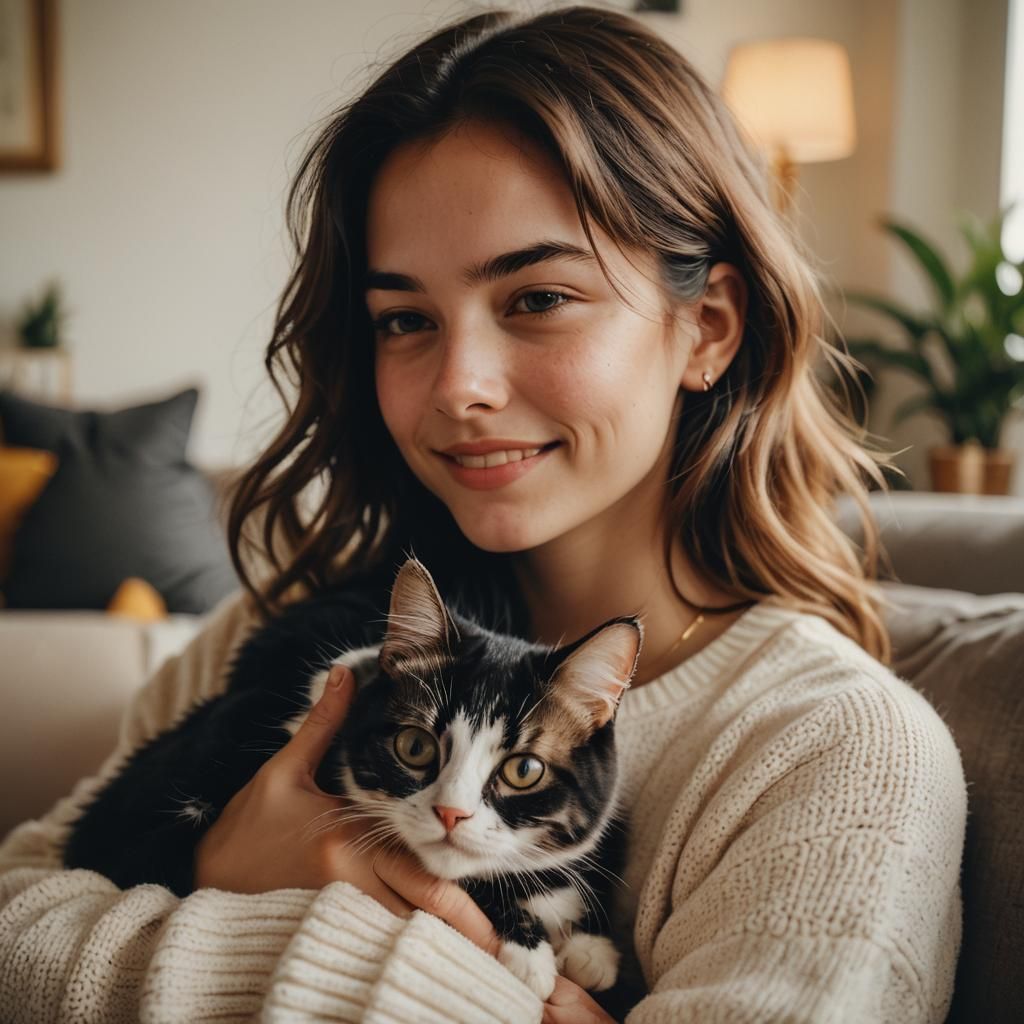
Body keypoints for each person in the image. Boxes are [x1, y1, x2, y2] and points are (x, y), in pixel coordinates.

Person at [0, 6, 966, 1022]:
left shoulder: (832, 749)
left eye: (537, 298)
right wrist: (222, 860)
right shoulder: (294, 640)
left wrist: (270, 921)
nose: (457, 384)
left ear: (707, 330)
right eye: (405, 319)